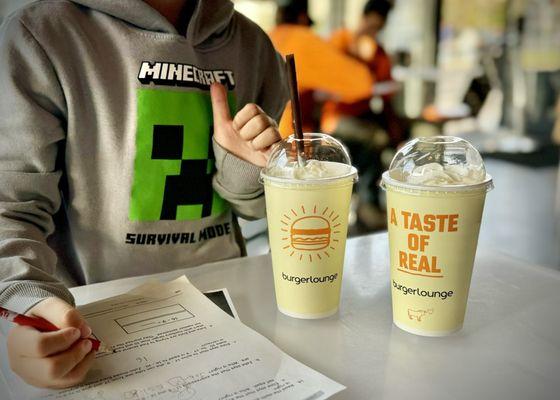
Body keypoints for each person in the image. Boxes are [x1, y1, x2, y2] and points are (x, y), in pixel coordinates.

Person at [0, 0, 287, 389]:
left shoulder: (252, 45)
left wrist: (244, 168)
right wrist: (30, 307)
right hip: (94, 330)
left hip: (231, 319)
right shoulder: (38, 34)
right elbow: (11, 209)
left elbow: (253, 209)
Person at [321, 0, 402, 230]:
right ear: (363, 18)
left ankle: (371, 201)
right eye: (371, 24)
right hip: (336, 117)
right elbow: (326, 81)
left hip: (362, 116)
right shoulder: (340, 42)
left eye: (378, 27)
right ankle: (366, 204)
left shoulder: (378, 52)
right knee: (374, 138)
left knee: (386, 136)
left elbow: (386, 94)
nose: (373, 31)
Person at [269, 0, 376, 137]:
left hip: (260, 138)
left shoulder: (268, 37)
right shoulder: (302, 41)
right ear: (303, 18)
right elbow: (363, 84)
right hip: (287, 142)